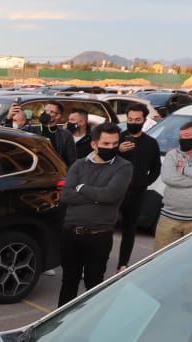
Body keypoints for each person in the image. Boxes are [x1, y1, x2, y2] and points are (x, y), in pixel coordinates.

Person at [57, 124, 133, 305]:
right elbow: (66, 195)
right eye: (106, 143)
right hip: (71, 234)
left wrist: (82, 188)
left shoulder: (124, 167)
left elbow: (110, 195)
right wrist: (97, 196)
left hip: (99, 237)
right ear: (94, 144)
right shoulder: (79, 164)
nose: (111, 148)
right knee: (68, 282)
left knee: (93, 287)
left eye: (115, 144)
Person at [114, 103, 162, 271]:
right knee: (105, 228)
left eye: (137, 119)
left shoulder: (151, 143)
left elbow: (156, 167)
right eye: (130, 119)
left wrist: (145, 182)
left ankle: (123, 263)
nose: (133, 122)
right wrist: (117, 150)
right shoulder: (116, 138)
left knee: (129, 229)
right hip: (113, 191)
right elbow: (104, 161)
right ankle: (96, 261)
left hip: (136, 193)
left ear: (144, 120)